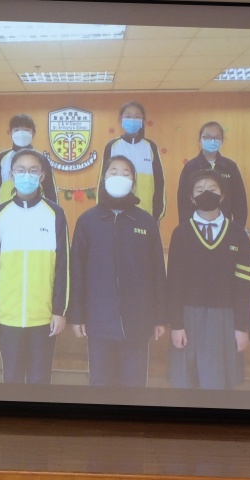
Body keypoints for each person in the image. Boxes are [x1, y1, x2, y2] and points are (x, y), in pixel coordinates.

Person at [68, 155, 167, 387]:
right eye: (113, 172)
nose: (119, 176)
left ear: (133, 181)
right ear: (104, 178)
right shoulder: (87, 220)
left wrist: (160, 317)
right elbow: (77, 272)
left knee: (134, 385)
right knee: (101, 384)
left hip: (138, 321)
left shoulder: (146, 222)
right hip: (99, 320)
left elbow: (157, 273)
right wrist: (77, 315)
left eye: (125, 173)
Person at [0, 148, 69, 384]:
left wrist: (59, 310)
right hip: (7, 315)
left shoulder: (55, 214)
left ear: (42, 176)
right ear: (11, 174)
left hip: (44, 316)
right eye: (20, 170)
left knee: (40, 380)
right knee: (12, 379)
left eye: (33, 170)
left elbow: (63, 266)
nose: (26, 175)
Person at [167, 169, 250, 390]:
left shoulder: (238, 234)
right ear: (191, 197)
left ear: (222, 195)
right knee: (187, 384)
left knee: (219, 384)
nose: (206, 193)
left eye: (212, 189)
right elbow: (174, 283)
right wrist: (176, 325)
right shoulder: (181, 233)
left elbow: (245, 285)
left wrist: (241, 327)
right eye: (199, 190)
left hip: (225, 317)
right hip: (188, 316)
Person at [99, 101, 165, 222]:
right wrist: (101, 211)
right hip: (115, 213)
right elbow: (102, 181)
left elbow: (159, 182)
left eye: (137, 116)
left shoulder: (150, 147)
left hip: (146, 213)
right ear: (121, 120)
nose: (132, 120)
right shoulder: (112, 146)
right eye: (128, 116)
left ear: (143, 121)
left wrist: (157, 215)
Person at [0, 114, 57, 219]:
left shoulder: (41, 159)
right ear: (10, 132)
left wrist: (54, 214)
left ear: (33, 133)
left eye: (26, 130)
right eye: (17, 130)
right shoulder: (2, 158)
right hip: (6, 215)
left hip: (37, 215)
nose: (21, 134)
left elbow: (50, 190)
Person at [177, 121, 248, 228]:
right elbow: (183, 201)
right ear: (200, 140)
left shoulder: (230, 166)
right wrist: (185, 228)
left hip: (225, 225)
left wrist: (238, 228)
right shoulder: (190, 167)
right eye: (207, 137)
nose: (212, 141)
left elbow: (240, 200)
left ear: (222, 140)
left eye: (216, 137)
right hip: (196, 226)